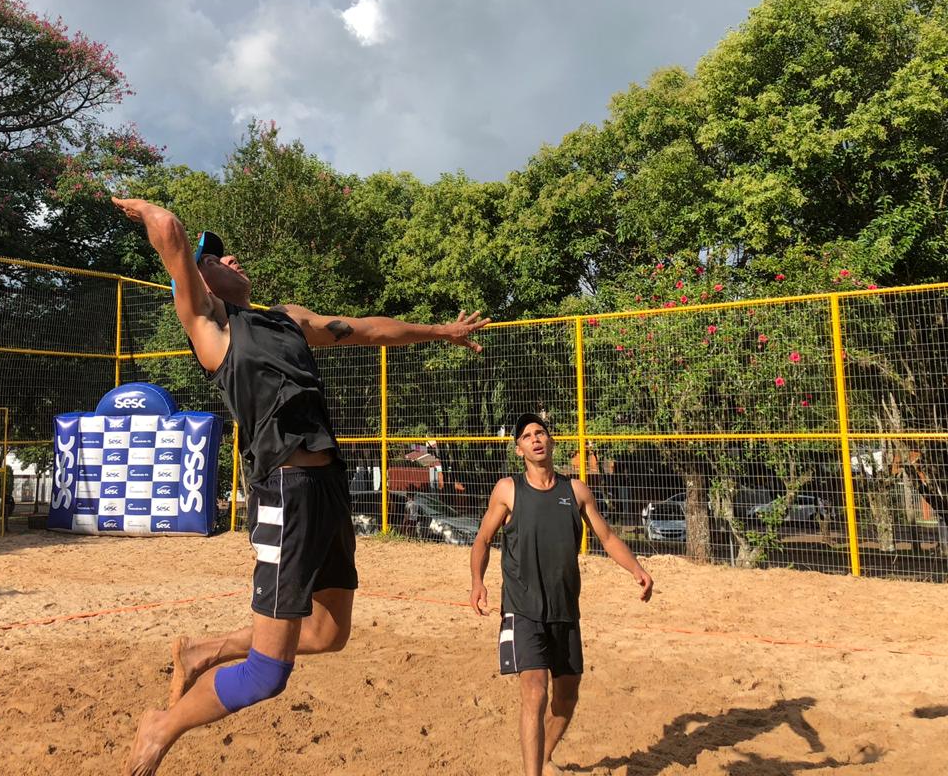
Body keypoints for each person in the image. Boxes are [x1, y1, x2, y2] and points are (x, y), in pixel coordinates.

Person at [111, 197, 489, 776]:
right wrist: (145, 210)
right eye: (215, 256)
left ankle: (203, 651)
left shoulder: (287, 318)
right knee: (268, 675)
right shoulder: (211, 328)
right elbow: (171, 237)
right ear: (199, 282)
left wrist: (442, 331)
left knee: (329, 633)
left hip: (329, 489)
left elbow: (365, 330)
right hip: (284, 490)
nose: (229, 257)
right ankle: (162, 725)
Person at [469, 413, 654, 776]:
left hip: (565, 609)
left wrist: (637, 569)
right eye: (527, 436)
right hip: (522, 610)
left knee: (566, 698)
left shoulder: (576, 490)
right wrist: (477, 580)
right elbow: (482, 539)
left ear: (551, 441)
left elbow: (608, 538)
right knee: (535, 692)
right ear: (519, 448)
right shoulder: (508, 489)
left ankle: (544, 755)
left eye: (540, 433)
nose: (535, 439)